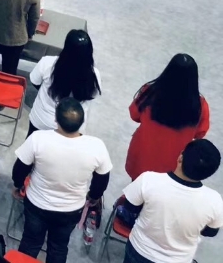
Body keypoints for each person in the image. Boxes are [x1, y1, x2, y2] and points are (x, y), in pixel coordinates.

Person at [12, 98, 112, 263]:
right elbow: (102, 179)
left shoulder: (38, 139)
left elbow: (19, 169)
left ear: (56, 119)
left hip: (37, 204)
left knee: (30, 243)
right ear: (82, 122)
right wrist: (94, 196)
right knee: (58, 247)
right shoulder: (96, 146)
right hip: (71, 210)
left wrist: (18, 185)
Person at [120, 139, 223, 263]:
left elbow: (129, 208)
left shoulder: (148, 180)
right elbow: (210, 232)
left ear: (180, 158)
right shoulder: (214, 200)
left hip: (140, 251)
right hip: (179, 259)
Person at [126, 53, 210, 181]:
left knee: (138, 185)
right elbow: (200, 133)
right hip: (174, 164)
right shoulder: (200, 105)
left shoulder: (149, 93)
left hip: (143, 155)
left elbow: (134, 114)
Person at [27, 29, 101, 136]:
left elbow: (35, 81)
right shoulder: (94, 75)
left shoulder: (47, 63)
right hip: (73, 127)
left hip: (42, 120)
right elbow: (93, 95)